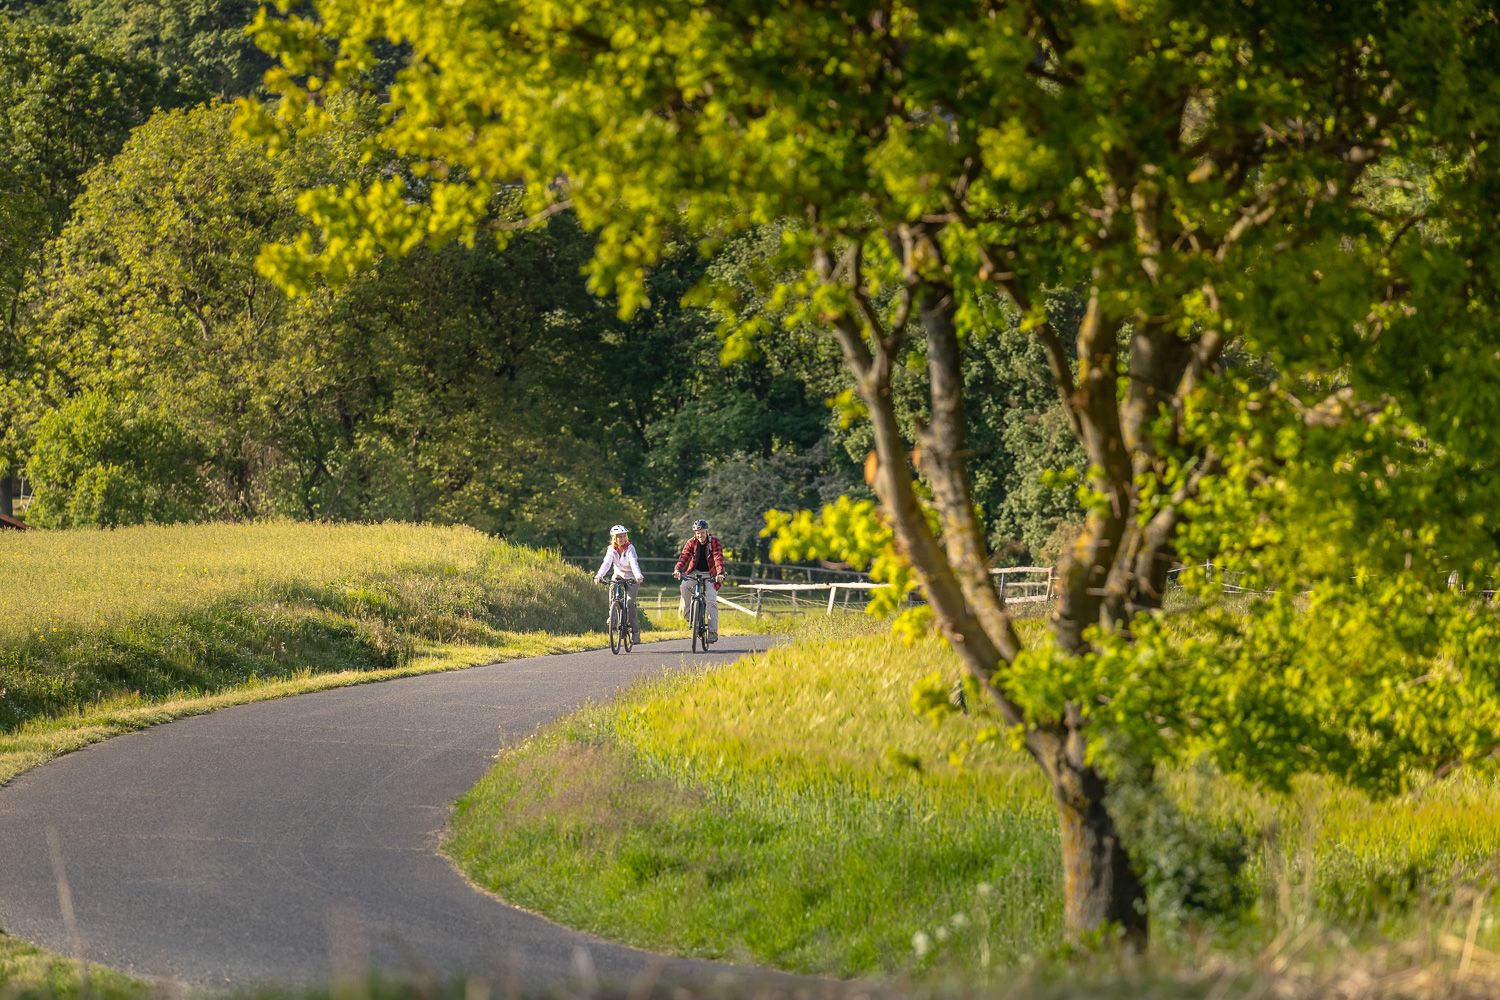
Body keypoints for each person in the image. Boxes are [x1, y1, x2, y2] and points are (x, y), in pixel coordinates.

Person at [673, 518, 724, 644]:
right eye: (698, 533)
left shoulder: (714, 542)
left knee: (711, 602)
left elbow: (718, 558)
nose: (700, 535)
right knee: (684, 586)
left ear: (707, 531)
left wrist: (720, 573)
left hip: (711, 574)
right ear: (695, 533)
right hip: (694, 572)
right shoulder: (691, 542)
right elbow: (684, 557)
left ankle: (712, 633)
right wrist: (678, 569)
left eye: (702, 532)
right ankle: (690, 617)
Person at [594, 524, 644, 643]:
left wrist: (638, 576)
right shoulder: (611, 549)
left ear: (626, 537)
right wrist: (599, 575)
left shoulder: (630, 548)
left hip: (632, 576)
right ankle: (613, 618)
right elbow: (606, 563)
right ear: (614, 538)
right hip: (618, 575)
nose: (621, 539)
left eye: (623, 536)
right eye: (619, 537)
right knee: (612, 588)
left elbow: (633, 562)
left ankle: (635, 632)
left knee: (630, 603)